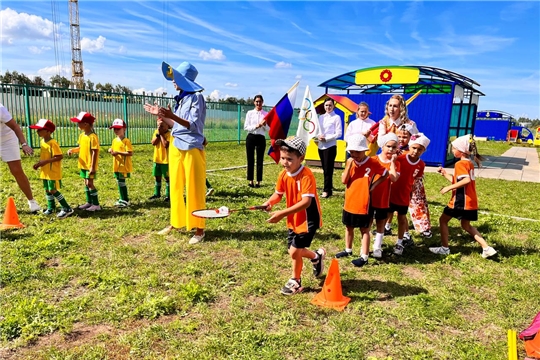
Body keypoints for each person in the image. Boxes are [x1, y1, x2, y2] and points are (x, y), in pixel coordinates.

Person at [144, 61, 206, 244]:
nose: (173, 81)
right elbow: (176, 125)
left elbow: (192, 124)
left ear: (184, 80)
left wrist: (171, 116)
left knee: (195, 188)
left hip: (192, 147)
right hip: (176, 145)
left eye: (176, 78)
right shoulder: (181, 99)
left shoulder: (196, 98)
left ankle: (199, 229)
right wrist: (162, 115)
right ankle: (176, 222)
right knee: (176, 187)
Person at [262, 136, 325, 295]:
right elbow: (278, 194)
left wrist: (281, 214)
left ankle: (295, 281)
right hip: (293, 218)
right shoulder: (283, 175)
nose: (284, 162)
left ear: (301, 158)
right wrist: (269, 203)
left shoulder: (306, 175)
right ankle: (316, 257)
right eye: (283, 158)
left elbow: (306, 203)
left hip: (307, 219)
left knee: (294, 251)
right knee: (294, 250)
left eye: (289, 159)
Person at [429, 135, 497, 259]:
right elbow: (458, 181)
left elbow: (465, 180)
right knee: (466, 226)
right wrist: (445, 174)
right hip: (470, 201)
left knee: (443, 220)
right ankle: (486, 248)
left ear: (461, 151)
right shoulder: (468, 163)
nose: (452, 150)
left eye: (454, 148)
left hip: (460, 201)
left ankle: (444, 248)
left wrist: (448, 188)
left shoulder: (460, 164)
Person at [337, 134, 387, 267]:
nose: (354, 155)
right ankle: (348, 250)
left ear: (364, 150)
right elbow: (343, 181)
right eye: (352, 152)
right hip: (350, 201)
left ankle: (364, 256)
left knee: (365, 230)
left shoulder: (373, 163)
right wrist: (348, 165)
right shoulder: (350, 162)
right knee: (349, 227)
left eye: (357, 152)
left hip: (364, 203)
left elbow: (385, 174)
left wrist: (374, 185)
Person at [390, 133, 430, 256]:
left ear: (424, 150)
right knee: (387, 215)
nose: (416, 151)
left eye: (420, 149)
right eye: (414, 148)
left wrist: (411, 193)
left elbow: (416, 180)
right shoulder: (401, 159)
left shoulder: (421, 164)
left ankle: (400, 241)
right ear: (409, 147)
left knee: (402, 218)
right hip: (391, 193)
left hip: (405, 195)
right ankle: (380, 239)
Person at [0, 102, 41, 213]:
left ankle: (32, 202)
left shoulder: (0, 109)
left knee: (16, 171)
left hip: (7, 140)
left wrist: (24, 144)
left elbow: (15, 127)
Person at [30, 119, 73, 219]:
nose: (37, 131)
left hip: (52, 171)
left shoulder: (53, 143)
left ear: (48, 131)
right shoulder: (42, 142)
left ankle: (67, 208)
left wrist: (45, 162)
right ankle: (51, 207)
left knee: (52, 189)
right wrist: (39, 164)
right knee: (47, 190)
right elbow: (44, 157)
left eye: (40, 129)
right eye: (37, 129)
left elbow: (59, 156)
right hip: (45, 171)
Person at [369, 133, 400, 258]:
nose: (391, 150)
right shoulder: (374, 160)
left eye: (394, 147)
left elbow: (393, 178)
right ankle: (365, 245)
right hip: (371, 196)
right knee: (369, 221)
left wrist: (392, 162)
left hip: (384, 198)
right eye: (388, 146)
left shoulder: (396, 163)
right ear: (382, 146)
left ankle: (377, 246)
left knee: (381, 222)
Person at [67, 112, 101, 211]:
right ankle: (89, 202)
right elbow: (81, 147)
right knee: (86, 183)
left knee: (90, 183)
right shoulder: (82, 135)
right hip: (83, 164)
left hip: (89, 165)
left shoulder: (93, 137)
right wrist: (73, 150)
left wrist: (92, 167)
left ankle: (96, 205)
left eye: (79, 122)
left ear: (85, 124)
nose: (77, 124)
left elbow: (95, 152)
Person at [317, 98, 342, 198]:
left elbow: (339, 133)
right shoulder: (321, 117)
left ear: (333, 106)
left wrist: (327, 139)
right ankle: (329, 188)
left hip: (330, 146)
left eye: (330, 105)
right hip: (320, 146)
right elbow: (318, 130)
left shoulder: (336, 117)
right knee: (324, 168)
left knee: (328, 169)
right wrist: (319, 136)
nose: (328, 107)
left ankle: (326, 190)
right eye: (326, 105)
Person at [244, 95, 269, 188]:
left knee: (260, 160)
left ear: (262, 102)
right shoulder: (250, 113)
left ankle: (258, 181)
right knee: (250, 159)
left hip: (261, 138)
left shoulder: (266, 114)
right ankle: (251, 180)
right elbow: (246, 127)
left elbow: (269, 129)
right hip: (251, 137)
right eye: (257, 101)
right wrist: (257, 126)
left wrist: (265, 125)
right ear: (254, 102)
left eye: (260, 101)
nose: (258, 103)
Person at [108, 119, 133, 207]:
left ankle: (125, 199)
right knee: (119, 181)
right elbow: (113, 149)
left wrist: (118, 152)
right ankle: (122, 198)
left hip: (123, 166)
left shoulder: (126, 141)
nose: (116, 131)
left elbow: (130, 153)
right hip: (116, 165)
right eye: (115, 129)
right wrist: (110, 150)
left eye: (118, 128)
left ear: (124, 129)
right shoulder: (115, 140)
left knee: (122, 182)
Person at [149, 119, 171, 202]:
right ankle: (157, 193)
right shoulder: (156, 133)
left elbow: (165, 144)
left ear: (167, 126)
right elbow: (153, 143)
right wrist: (158, 135)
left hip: (166, 160)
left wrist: (161, 134)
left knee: (167, 178)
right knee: (157, 177)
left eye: (162, 126)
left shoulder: (169, 134)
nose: (159, 127)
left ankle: (168, 195)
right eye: (158, 126)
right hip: (157, 159)